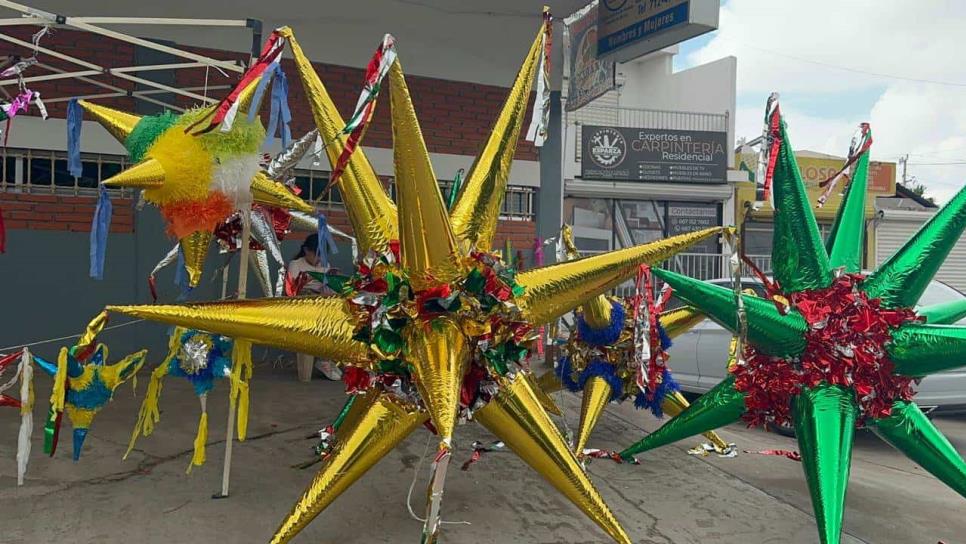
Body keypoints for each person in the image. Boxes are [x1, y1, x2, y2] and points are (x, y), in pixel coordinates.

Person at [287, 234, 342, 382]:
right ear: (306, 250)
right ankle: (324, 360)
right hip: (302, 305)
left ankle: (327, 359)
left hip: (322, 303)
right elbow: (291, 292)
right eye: (316, 255)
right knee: (311, 297)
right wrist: (309, 279)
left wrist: (333, 281)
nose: (319, 259)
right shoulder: (296, 264)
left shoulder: (325, 265)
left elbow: (328, 290)